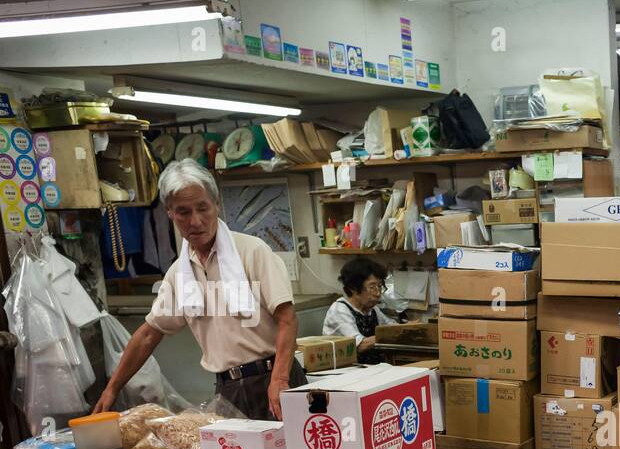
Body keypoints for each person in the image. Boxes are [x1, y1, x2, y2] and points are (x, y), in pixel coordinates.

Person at [94, 158, 305, 420]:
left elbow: (287, 319)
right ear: (169, 212)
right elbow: (149, 335)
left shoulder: (252, 251)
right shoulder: (179, 274)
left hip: (276, 379)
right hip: (228, 390)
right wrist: (111, 389)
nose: (196, 221)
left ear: (217, 205)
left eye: (203, 208)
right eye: (183, 212)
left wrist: (280, 380)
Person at [323, 258, 399, 363]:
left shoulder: (372, 310)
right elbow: (359, 345)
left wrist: (409, 328)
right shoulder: (339, 310)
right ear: (353, 288)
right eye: (372, 287)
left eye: (380, 286)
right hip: (347, 372)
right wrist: (395, 334)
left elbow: (391, 326)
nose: (378, 293)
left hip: (371, 369)